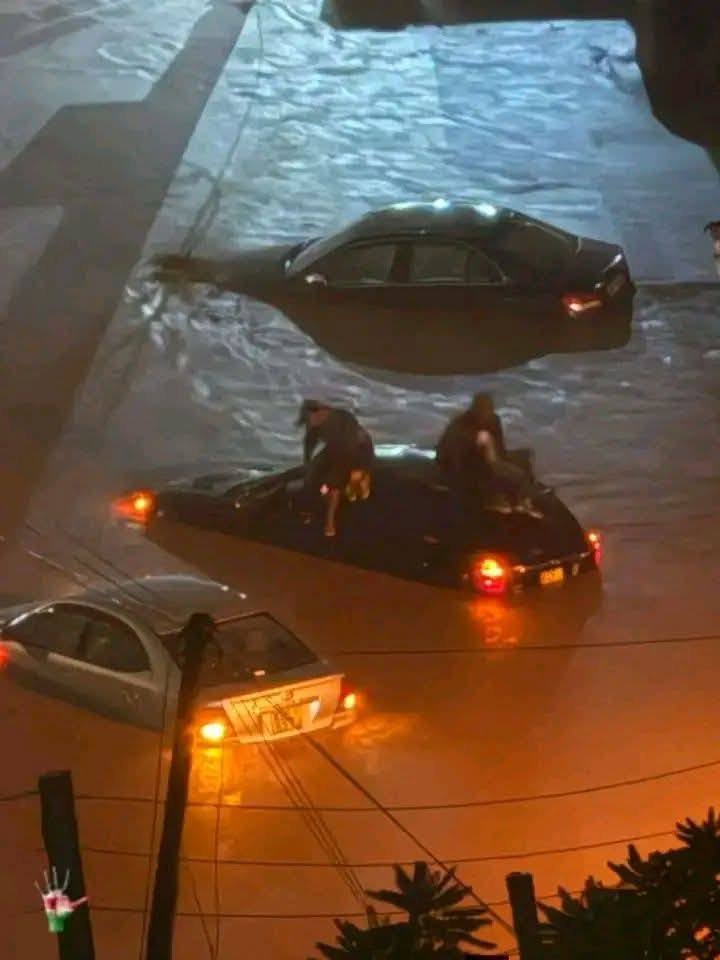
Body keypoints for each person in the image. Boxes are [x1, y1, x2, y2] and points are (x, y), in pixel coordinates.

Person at [436, 393, 542, 517]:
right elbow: (455, 460)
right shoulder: (460, 427)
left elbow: (499, 449)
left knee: (525, 457)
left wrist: (502, 463)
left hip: (490, 460)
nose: (486, 415)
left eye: (488, 411)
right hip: (464, 465)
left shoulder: (494, 420)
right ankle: (493, 499)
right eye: (483, 411)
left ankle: (523, 499)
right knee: (512, 474)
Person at [296, 400, 374, 537]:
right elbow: (310, 442)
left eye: (308, 419)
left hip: (358, 452)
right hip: (335, 449)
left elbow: (346, 451)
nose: (308, 424)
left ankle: (330, 523)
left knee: (334, 484)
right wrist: (307, 464)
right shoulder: (315, 425)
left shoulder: (343, 420)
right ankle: (308, 505)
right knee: (314, 469)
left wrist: (332, 479)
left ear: (321, 412)